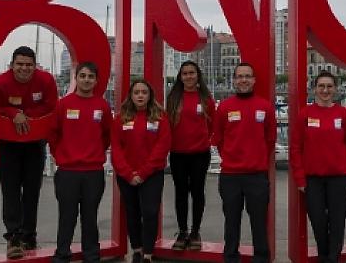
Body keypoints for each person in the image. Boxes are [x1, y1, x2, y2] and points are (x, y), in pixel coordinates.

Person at [0, 46, 57, 259]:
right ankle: (14, 237)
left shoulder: (46, 81)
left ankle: (29, 235)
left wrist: (24, 115)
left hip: (35, 143)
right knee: (10, 192)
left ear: (35, 66)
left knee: (31, 192)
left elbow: (51, 106)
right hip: (8, 144)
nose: (24, 69)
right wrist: (13, 113)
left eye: (29, 65)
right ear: (12, 65)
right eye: (20, 64)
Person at [212, 62, 276, 263]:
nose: (244, 80)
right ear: (234, 80)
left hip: (257, 176)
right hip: (230, 176)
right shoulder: (224, 107)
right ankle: (231, 257)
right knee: (231, 222)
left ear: (254, 80)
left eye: (247, 76)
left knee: (259, 222)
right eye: (240, 76)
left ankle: (261, 258)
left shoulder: (265, 107)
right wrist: (231, 157)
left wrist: (255, 159)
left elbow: (270, 138)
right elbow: (219, 138)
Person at [290, 71, 346, 263]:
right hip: (313, 180)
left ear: (335, 89)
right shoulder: (305, 114)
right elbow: (295, 148)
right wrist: (300, 179)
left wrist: (339, 161)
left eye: (329, 86)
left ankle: (332, 259)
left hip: (340, 178)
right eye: (321, 86)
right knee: (318, 222)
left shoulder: (343, 114)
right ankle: (323, 256)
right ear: (314, 89)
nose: (325, 90)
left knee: (337, 223)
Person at [49, 62, 112, 263]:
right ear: (76, 78)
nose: (86, 80)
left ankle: (92, 255)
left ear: (96, 80)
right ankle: (62, 254)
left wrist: (94, 153)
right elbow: (53, 134)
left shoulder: (102, 105)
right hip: (67, 171)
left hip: (93, 172)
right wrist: (61, 156)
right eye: (82, 76)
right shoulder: (63, 104)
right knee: (67, 217)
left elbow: (107, 135)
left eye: (90, 76)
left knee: (90, 217)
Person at [112, 79, 171, 263]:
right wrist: (129, 174)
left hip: (152, 174)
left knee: (150, 212)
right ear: (131, 95)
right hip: (126, 176)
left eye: (144, 92)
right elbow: (116, 148)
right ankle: (136, 249)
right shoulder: (121, 117)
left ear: (150, 95)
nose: (140, 95)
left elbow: (162, 146)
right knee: (132, 212)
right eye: (136, 92)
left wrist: (143, 173)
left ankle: (148, 252)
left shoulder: (160, 117)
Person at [165, 61, 215, 250]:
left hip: (200, 155)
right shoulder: (174, 98)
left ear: (198, 75)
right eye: (185, 73)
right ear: (180, 77)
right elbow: (168, 124)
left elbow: (211, 126)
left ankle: (195, 231)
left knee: (197, 192)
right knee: (180, 193)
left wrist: (202, 141)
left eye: (192, 73)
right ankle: (182, 231)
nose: (188, 76)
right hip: (178, 154)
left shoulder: (206, 99)